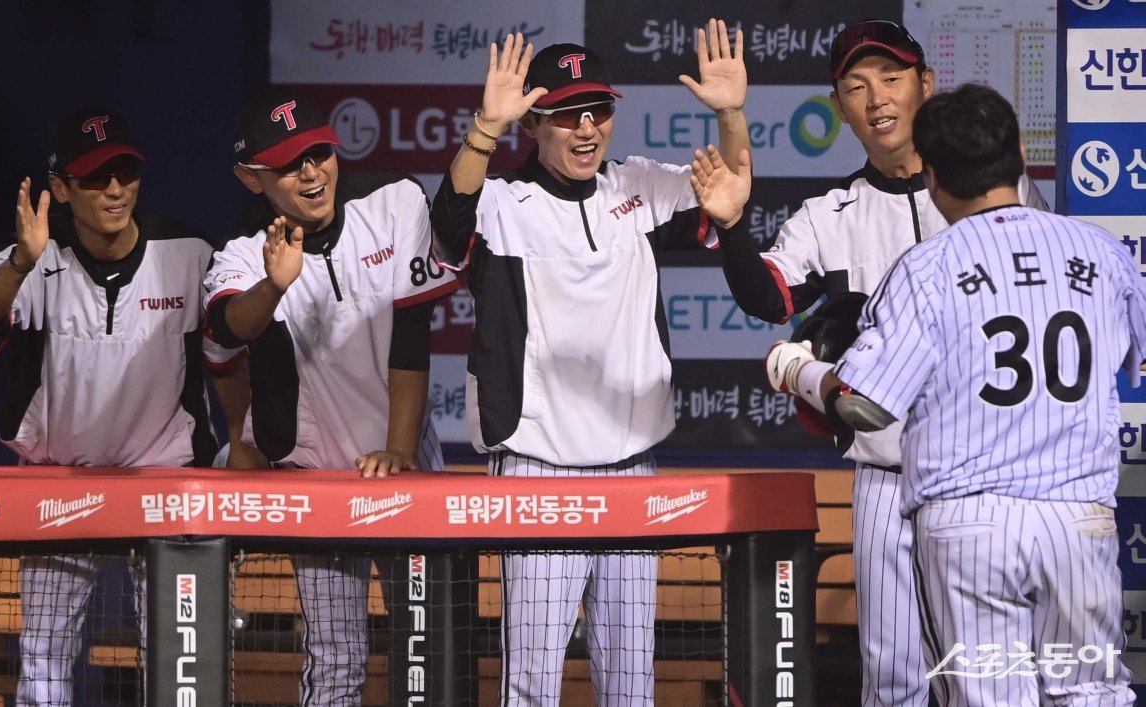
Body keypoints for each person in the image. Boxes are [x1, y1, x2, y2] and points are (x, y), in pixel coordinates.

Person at [706, 19, 1047, 706]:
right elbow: (767, 297)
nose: (877, 98)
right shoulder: (830, 214)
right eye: (856, 86)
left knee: (992, 675)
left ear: (926, 83)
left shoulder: (994, 195)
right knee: (893, 679)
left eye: (891, 78)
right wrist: (734, 226)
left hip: (992, 475)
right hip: (888, 480)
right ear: (838, 107)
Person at [429, 21, 749, 706]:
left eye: (597, 110)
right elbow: (449, 224)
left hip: (631, 466)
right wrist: (485, 127)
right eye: (565, 113)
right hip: (538, 468)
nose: (585, 128)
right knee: (533, 682)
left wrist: (730, 116)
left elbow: (729, 189)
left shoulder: (638, 185)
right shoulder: (500, 203)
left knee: (631, 680)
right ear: (532, 123)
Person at [814, 82, 1138, 705]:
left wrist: (806, 373)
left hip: (970, 526)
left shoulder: (927, 267)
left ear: (932, 177)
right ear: (1020, 155)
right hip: (1077, 520)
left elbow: (863, 404)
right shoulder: (1102, 253)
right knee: (1093, 692)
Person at [201, 87, 458, 705]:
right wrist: (273, 285)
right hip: (316, 478)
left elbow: (412, 335)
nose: (312, 172)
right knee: (336, 659)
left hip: (404, 461)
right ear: (251, 177)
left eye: (319, 153)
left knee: (427, 651)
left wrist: (400, 451)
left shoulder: (393, 202)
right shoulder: (242, 250)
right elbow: (227, 332)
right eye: (289, 164)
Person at [0, 107, 220, 705]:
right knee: (45, 661)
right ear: (60, 189)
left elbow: (230, 349)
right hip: (59, 482)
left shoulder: (188, 253)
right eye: (94, 177)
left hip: (165, 484)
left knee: (179, 663)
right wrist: (23, 261)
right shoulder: (37, 258)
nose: (114, 189)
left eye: (125, 172)